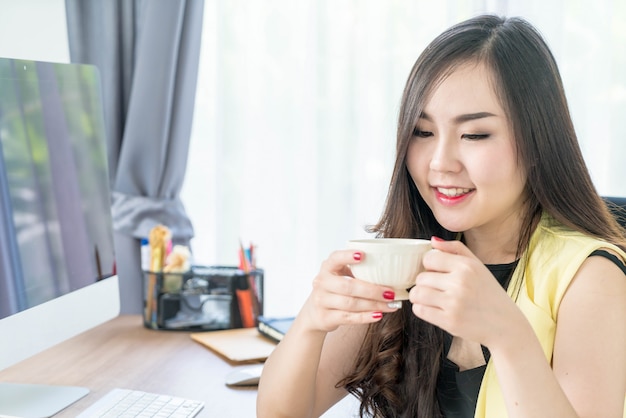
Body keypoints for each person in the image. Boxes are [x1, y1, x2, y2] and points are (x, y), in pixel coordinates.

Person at [256, 14, 626, 418]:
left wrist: (509, 336)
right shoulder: (402, 261)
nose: (440, 162)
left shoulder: (591, 278)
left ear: (538, 141)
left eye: (475, 135)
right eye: (423, 132)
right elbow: (280, 413)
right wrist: (312, 319)